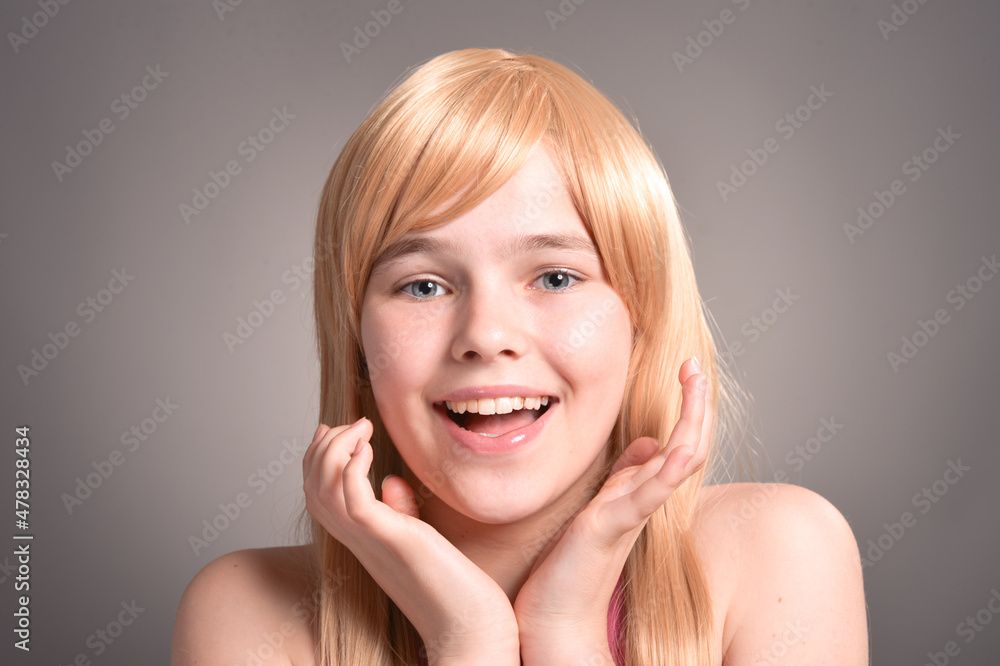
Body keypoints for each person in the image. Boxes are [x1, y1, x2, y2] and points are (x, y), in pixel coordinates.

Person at [172, 48, 868, 665]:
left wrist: (565, 634)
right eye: (422, 285)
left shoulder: (779, 554)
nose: (485, 333)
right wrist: (466, 641)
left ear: (642, 318)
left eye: (555, 277)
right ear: (356, 340)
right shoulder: (247, 613)